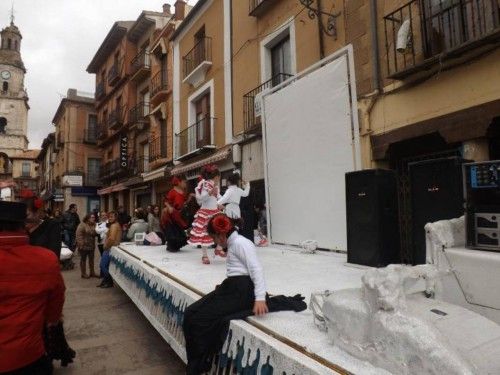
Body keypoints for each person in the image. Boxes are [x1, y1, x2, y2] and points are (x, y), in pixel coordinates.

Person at [0, 201, 65, 375]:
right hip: (28, 355)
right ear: (24, 225)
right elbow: (54, 310)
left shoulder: (52, 227)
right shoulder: (46, 260)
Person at [188, 165, 223, 264]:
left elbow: (218, 197)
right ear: (216, 176)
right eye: (218, 176)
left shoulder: (215, 185)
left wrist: (221, 203)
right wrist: (210, 193)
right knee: (205, 234)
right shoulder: (205, 184)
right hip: (206, 212)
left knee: (221, 230)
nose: (219, 178)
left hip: (215, 211)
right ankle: (204, 255)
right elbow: (202, 198)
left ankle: (218, 248)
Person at [162, 176, 189, 252]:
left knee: (179, 231)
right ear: (179, 182)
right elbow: (166, 201)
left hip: (179, 215)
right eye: (184, 182)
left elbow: (184, 202)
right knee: (172, 231)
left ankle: (176, 246)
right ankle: (171, 246)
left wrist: (189, 199)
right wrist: (169, 207)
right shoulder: (172, 191)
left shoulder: (183, 192)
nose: (185, 184)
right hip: (172, 215)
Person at [98, 211, 122, 288]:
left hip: (109, 248)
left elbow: (111, 238)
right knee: (106, 265)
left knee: (103, 265)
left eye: (112, 217)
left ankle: (109, 282)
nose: (110, 218)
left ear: (116, 218)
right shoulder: (115, 225)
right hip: (112, 248)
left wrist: (106, 246)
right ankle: (106, 281)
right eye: (109, 217)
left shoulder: (114, 226)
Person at [75, 213, 98, 279]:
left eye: (94, 217)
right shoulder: (82, 225)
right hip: (83, 245)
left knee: (91, 259)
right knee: (83, 260)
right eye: (92, 217)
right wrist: (81, 244)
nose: (93, 219)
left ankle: (92, 272)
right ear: (88, 218)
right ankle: (83, 273)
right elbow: (78, 235)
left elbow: (96, 233)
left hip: (91, 245)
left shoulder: (95, 224)